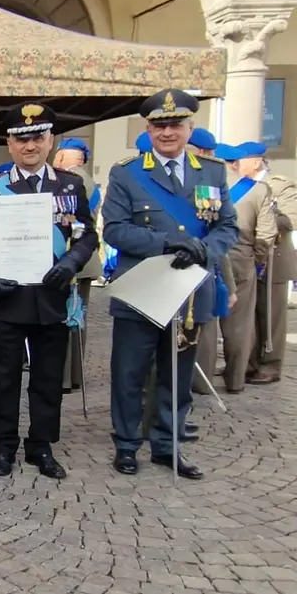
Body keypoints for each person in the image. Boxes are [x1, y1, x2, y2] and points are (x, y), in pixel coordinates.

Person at [102, 89, 237, 480]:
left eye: (175, 124)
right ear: (148, 128)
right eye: (159, 125)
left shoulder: (211, 172)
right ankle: (127, 445)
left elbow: (227, 226)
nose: (167, 132)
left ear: (190, 127)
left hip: (190, 291)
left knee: (176, 372)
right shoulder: (126, 172)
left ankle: (167, 444)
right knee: (129, 371)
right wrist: (166, 243)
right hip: (142, 288)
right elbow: (114, 229)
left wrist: (203, 251)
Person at [0, 102, 97, 480]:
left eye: (38, 137)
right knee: (2, 377)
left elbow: (87, 237)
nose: (30, 146)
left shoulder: (70, 185)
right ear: (9, 143)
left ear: (50, 140)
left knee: (48, 378)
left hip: (52, 298)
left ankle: (41, 445)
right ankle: (4, 445)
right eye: (22, 139)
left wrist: (70, 264)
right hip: (7, 298)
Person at [214, 141, 275, 393]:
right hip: (240, 258)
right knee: (238, 324)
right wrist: (256, 260)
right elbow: (267, 234)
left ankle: (200, 378)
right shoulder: (260, 190)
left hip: (209, 254)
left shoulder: (209, 187)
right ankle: (235, 380)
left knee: (203, 323)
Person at [52, 138, 103, 393]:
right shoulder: (91, 180)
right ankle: (75, 375)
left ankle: (62, 377)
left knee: (65, 317)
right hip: (86, 260)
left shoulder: (68, 180)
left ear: (61, 157)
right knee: (78, 317)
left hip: (69, 257)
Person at [250, 143, 297, 384]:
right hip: (252, 257)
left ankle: (271, 364)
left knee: (272, 317)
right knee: (250, 315)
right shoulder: (240, 187)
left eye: (240, 160)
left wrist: (263, 216)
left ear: (256, 162)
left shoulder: (280, 185)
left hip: (275, 260)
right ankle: (249, 362)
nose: (234, 165)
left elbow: (290, 218)